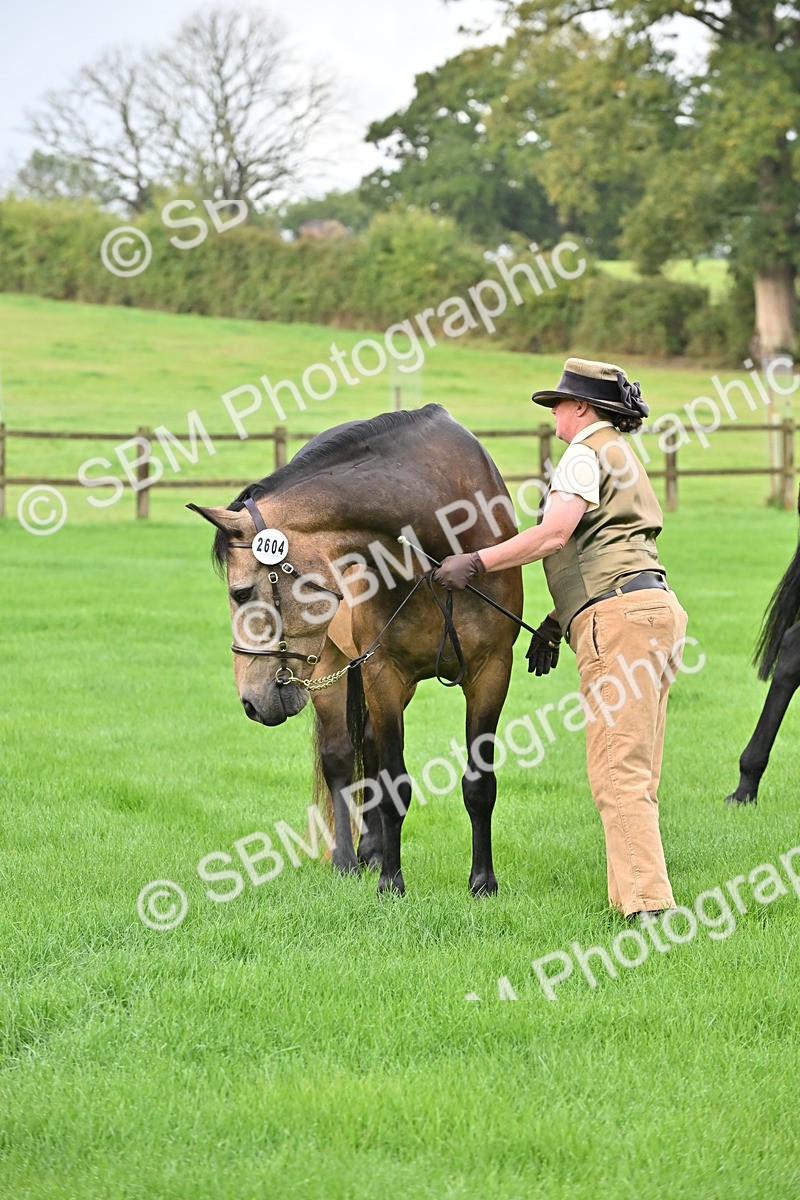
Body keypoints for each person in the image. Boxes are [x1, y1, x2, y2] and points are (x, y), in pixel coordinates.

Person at [433, 357, 688, 921]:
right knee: (636, 771)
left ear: (582, 408)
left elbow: (554, 534)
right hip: (655, 611)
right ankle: (632, 899)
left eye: (559, 405)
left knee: (617, 771)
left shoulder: (583, 454)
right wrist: (557, 618)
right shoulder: (623, 455)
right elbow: (614, 546)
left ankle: (650, 908)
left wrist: (474, 562)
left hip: (619, 622)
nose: (554, 415)